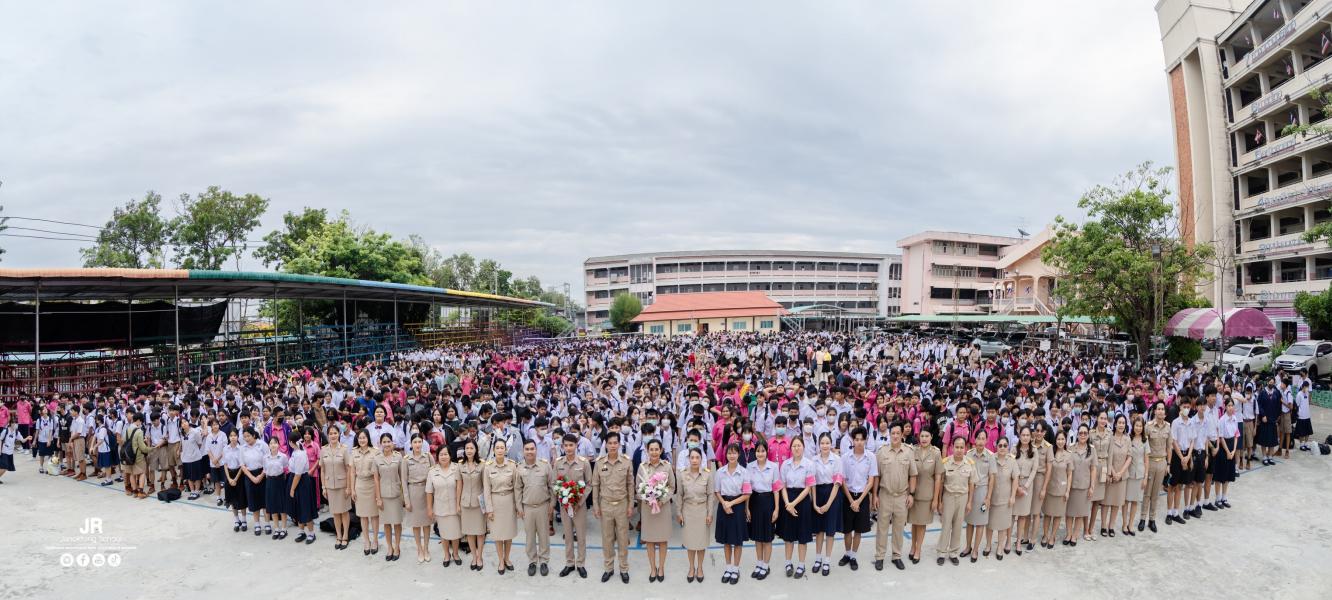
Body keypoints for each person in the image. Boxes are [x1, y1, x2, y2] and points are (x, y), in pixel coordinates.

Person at [873, 422, 916, 571]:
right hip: (885, 494)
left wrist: (911, 494)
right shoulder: (882, 452)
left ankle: (897, 556)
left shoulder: (909, 452)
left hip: (902, 496)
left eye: (898, 433)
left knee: (899, 528)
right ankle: (879, 556)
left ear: (902, 434)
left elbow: (913, 475)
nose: (896, 436)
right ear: (889, 435)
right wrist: (875, 496)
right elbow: (876, 476)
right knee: (882, 528)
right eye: (893, 433)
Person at [592, 431, 634, 584]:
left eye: (615, 443)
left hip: (622, 505)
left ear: (619, 444)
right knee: (607, 539)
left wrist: (631, 505)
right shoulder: (599, 463)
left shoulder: (626, 462)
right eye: (610, 443)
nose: (613, 446)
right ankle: (609, 568)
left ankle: (624, 569)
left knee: (623, 539)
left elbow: (630, 484)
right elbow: (595, 485)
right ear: (606, 445)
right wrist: (596, 506)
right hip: (606, 506)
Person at [637, 438, 675, 583]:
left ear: (661, 450)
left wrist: (662, 499)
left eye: (656, 449)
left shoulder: (666, 466)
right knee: (650, 540)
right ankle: (653, 568)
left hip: (663, 508)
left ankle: (661, 568)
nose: (654, 452)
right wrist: (646, 498)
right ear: (647, 451)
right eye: (651, 449)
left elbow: (672, 487)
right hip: (647, 509)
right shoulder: (642, 467)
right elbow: (637, 488)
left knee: (662, 539)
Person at [515, 438, 554, 577]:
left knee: (544, 536)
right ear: (523, 451)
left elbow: (552, 486)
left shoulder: (545, 465)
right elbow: (518, 489)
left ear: (536, 450)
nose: (530, 451)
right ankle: (532, 561)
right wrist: (519, 507)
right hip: (528, 508)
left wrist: (552, 505)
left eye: (532, 449)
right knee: (530, 537)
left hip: (543, 506)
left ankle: (544, 561)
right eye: (527, 449)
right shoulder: (519, 468)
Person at [554, 433, 591, 578]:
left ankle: (581, 563)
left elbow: (589, 484)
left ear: (576, 446)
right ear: (562, 447)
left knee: (581, 536)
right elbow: (553, 484)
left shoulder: (584, 463)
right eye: (566, 445)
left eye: (571, 445)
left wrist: (579, 502)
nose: (568, 448)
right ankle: (569, 563)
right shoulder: (558, 463)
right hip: (564, 507)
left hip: (579, 507)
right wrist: (562, 499)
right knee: (568, 535)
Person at [838, 427, 876, 570]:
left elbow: (871, 481)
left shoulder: (871, 457)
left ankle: (853, 556)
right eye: (856, 439)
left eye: (861, 439)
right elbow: (842, 481)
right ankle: (847, 554)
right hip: (848, 495)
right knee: (847, 530)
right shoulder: (845, 458)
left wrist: (859, 501)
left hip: (863, 497)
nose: (859, 442)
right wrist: (851, 500)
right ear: (852, 441)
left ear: (865, 440)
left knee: (858, 530)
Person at [935, 435, 976, 566]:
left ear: (965, 448)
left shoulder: (970, 464)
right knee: (946, 525)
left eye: (961, 447)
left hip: (963, 497)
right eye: (956, 447)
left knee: (958, 526)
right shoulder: (945, 462)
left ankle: (953, 553)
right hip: (948, 497)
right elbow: (941, 483)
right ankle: (942, 552)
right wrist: (940, 501)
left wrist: (970, 502)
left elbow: (972, 484)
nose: (959, 450)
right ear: (952, 447)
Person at [778, 435, 814, 578]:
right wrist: (788, 504)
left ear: (803, 447)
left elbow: (808, 488)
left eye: (799, 445)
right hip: (788, 500)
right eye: (794, 446)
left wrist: (794, 503)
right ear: (790, 448)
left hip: (802, 501)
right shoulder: (785, 465)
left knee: (802, 535)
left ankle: (801, 564)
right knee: (788, 536)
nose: (796, 448)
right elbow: (783, 486)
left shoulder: (809, 465)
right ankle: (788, 563)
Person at [483, 437, 519, 574]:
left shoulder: (512, 465)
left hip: (509, 501)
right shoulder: (488, 467)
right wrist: (489, 509)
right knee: (498, 534)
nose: (499, 450)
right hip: (495, 502)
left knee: (508, 533)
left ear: (505, 450)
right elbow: (486, 489)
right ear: (493, 450)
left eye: (502, 448)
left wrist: (517, 506)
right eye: (497, 448)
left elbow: (516, 487)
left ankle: (507, 558)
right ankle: (500, 560)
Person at [810, 432, 843, 576]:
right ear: (818, 445)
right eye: (822, 443)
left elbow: (837, 483)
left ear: (831, 444)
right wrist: (815, 503)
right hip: (818, 493)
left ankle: (827, 561)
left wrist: (829, 504)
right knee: (818, 530)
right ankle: (818, 559)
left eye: (827, 443)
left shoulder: (836, 460)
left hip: (832, 494)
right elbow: (812, 483)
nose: (824, 446)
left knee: (830, 530)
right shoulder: (813, 460)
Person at [745, 440, 779, 579]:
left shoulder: (773, 467)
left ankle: (766, 565)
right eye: (758, 451)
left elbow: (776, 489)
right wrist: (747, 508)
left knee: (767, 537)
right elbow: (747, 489)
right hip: (754, 502)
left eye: (763, 451)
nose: (760, 453)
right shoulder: (749, 466)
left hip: (768, 502)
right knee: (758, 536)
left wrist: (776, 509)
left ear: (766, 452)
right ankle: (759, 563)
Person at [961, 428, 995, 562]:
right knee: (969, 522)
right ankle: (968, 547)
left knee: (980, 523)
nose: (980, 441)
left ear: (986, 440)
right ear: (974, 440)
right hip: (970, 492)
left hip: (983, 492)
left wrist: (988, 497)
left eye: (983, 438)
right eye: (978, 438)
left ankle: (975, 550)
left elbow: (992, 477)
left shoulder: (991, 456)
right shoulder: (969, 455)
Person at [908, 428, 941, 564]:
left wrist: (935, 499)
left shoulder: (936, 453)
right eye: (922, 436)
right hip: (913, 493)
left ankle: (918, 549)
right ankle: (912, 546)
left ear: (931, 437)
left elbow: (938, 478)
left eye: (927, 435)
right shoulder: (912, 451)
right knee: (914, 522)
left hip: (927, 495)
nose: (924, 438)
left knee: (921, 524)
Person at [426, 444, 463, 567]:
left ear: (450, 455)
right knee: (444, 534)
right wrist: (430, 509)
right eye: (441, 454)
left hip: (455, 507)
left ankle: (456, 553)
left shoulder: (457, 468)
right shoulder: (432, 471)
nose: (444, 456)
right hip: (440, 508)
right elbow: (429, 492)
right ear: (437, 456)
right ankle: (447, 554)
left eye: (446, 454)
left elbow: (460, 487)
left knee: (456, 533)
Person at [319, 423, 352, 550]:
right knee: (335, 513)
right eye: (331, 433)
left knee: (344, 512)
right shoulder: (323, 450)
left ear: (339, 434)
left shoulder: (344, 449)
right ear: (327, 435)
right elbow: (322, 470)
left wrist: (349, 487)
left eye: (335, 433)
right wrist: (323, 487)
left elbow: (348, 469)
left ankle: (345, 536)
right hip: (330, 486)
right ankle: (338, 535)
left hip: (342, 486)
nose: (333, 435)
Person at [374, 431, 406, 562]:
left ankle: (397, 547)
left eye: (388, 441)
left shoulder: (398, 457)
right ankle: (389, 548)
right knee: (387, 523)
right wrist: (378, 498)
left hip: (396, 495)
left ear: (392, 443)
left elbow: (403, 478)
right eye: (384, 442)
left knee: (397, 522)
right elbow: (376, 479)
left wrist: (404, 497)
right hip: (384, 495)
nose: (386, 444)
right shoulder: (376, 459)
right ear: (380, 444)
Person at [403, 434, 434, 563]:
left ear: (423, 443)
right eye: (415, 442)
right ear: (411, 444)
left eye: (419, 441)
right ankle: (419, 549)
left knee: (427, 523)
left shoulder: (428, 456)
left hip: (427, 492)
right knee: (416, 524)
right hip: (413, 492)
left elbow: (434, 474)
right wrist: (406, 500)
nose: (417, 444)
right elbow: (404, 481)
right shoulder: (406, 459)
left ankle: (426, 548)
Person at [351, 429, 381, 555]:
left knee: (374, 515)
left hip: (372, 484)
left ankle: (375, 541)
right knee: (363, 516)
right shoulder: (353, 452)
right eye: (360, 438)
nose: (362, 440)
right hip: (360, 485)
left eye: (364, 437)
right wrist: (352, 489)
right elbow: (352, 472)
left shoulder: (375, 452)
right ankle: (366, 541)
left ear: (368, 438)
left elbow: (378, 474)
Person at [458, 439, 487, 571]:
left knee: (480, 532)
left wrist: (487, 506)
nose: (469, 451)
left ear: (476, 450)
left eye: (471, 448)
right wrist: (458, 504)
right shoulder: (460, 465)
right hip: (465, 503)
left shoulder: (482, 465)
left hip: (478, 503)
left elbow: (485, 486)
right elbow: (459, 486)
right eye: (467, 448)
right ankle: (474, 557)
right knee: (469, 532)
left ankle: (480, 556)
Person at [1040, 430, 1071, 549]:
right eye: (1058, 439)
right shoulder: (1050, 452)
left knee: (1057, 515)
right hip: (1049, 488)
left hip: (1061, 489)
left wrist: (1067, 491)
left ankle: (1052, 536)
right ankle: (1045, 535)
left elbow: (1070, 474)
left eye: (1063, 439)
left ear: (1065, 440)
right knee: (1048, 513)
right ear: (1055, 440)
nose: (1060, 441)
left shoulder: (1069, 455)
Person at [988, 436, 1018, 558]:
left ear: (1008, 447)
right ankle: (988, 545)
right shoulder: (991, 458)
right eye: (1000, 445)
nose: (1002, 448)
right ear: (996, 446)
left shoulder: (1012, 460)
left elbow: (1015, 479)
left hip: (1006, 500)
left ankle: (1000, 547)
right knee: (989, 524)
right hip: (992, 498)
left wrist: (1013, 496)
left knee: (1003, 525)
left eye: (1005, 445)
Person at [1143, 402, 1170, 532]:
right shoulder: (1148, 427)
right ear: (1154, 411)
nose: (1160, 411)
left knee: (1156, 494)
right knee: (1147, 493)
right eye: (1158, 409)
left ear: (1165, 412)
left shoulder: (1168, 427)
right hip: (1150, 462)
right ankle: (1143, 518)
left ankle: (1152, 520)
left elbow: (1169, 446)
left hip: (1162, 462)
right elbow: (1144, 446)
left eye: (1162, 409)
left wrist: (1168, 464)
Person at [1067, 425, 1096, 545]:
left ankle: (1075, 535)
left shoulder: (1092, 449)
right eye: (1081, 433)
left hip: (1084, 485)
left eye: (1085, 433)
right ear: (1077, 434)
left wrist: (1092, 486)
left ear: (1088, 435)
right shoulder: (1070, 448)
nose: (1083, 435)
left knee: (1079, 512)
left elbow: (1093, 469)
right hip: (1071, 485)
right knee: (1069, 512)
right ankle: (1068, 534)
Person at [287, 435, 318, 544]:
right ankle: (301, 531)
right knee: (298, 507)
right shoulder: (296, 451)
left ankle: (311, 533)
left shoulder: (300, 454)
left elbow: (298, 474)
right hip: (295, 479)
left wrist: (292, 489)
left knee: (305, 507)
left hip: (301, 482)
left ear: (291, 442)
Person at [1011, 426, 1037, 554]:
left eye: (1027, 435)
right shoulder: (1014, 449)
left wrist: (1025, 486)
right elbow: (1011, 467)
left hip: (1027, 485)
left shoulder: (1034, 451)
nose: (1025, 437)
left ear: (1030, 436)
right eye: (1023, 435)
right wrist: (1017, 488)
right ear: (1019, 436)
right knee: (1011, 515)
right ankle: (1006, 542)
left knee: (1022, 516)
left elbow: (1034, 470)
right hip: (1015, 484)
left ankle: (1019, 542)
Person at [239, 428, 269, 536]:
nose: (246, 438)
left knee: (264, 501)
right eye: (245, 436)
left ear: (254, 435)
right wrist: (252, 478)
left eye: (248, 436)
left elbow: (268, 460)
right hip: (249, 475)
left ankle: (267, 523)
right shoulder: (242, 448)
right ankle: (257, 524)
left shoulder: (262, 445)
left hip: (263, 473)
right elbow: (242, 465)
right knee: (254, 501)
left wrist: (261, 475)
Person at [1212, 400, 1240, 508]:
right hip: (1223, 449)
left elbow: (1236, 435)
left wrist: (1233, 450)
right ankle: (1217, 498)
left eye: (1232, 405)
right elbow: (1221, 437)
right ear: (1225, 407)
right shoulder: (1222, 420)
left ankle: (1224, 497)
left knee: (1228, 475)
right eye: (1229, 405)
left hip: (1231, 446)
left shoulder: (1235, 418)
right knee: (1220, 475)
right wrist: (1228, 451)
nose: (1231, 407)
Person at [1123, 414, 1147, 536]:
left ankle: (1131, 524)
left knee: (1135, 501)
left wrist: (1146, 477)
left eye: (1140, 426)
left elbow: (1146, 460)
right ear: (1133, 426)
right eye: (1136, 425)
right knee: (1126, 500)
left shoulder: (1145, 441)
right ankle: (1124, 524)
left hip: (1140, 475)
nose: (1138, 428)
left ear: (1143, 427)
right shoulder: (1128, 439)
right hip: (1129, 474)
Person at [262, 436, 289, 540]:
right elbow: (265, 470)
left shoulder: (283, 456)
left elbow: (286, 470)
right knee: (272, 506)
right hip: (270, 481)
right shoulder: (265, 457)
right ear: (268, 445)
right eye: (271, 443)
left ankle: (284, 528)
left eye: (275, 443)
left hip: (280, 481)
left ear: (278, 445)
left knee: (282, 506)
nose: (273, 445)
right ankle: (276, 528)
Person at [220, 429, 246, 531]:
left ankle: (244, 520)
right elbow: (225, 464)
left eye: (235, 435)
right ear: (228, 437)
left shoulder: (241, 449)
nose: (233, 437)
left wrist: (235, 478)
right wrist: (229, 478)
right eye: (231, 436)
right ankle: (236, 520)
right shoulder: (226, 449)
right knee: (231, 499)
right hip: (229, 475)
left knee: (241, 498)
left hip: (239, 475)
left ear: (238, 437)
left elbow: (242, 465)